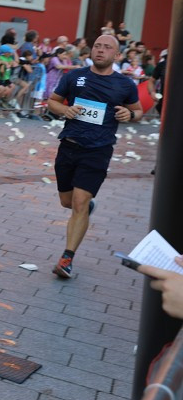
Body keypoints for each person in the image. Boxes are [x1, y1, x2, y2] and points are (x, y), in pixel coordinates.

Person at [47, 34, 142, 279]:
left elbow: (138, 110)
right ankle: (86, 207)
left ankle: (66, 259)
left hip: (98, 150)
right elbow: (53, 102)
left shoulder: (125, 85)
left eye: (107, 47)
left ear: (117, 55)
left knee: (78, 203)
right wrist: (65, 109)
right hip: (69, 146)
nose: (100, 50)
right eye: (97, 46)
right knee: (67, 203)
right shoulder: (74, 77)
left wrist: (129, 116)